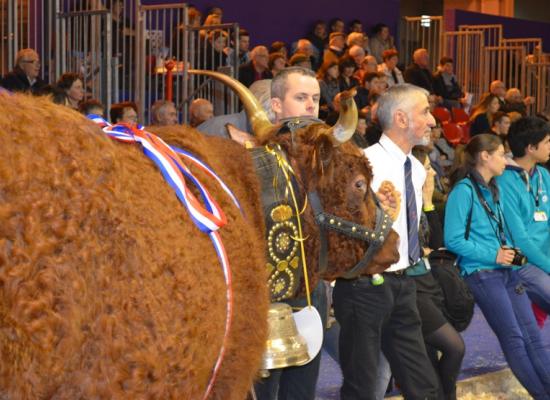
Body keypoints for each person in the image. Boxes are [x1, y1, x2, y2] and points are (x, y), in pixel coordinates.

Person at [334, 83, 440, 399]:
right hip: (363, 288)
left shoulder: (417, 171)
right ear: (401, 118)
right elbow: (340, 232)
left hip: (405, 285)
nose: (433, 121)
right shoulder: (361, 166)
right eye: (425, 111)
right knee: (363, 387)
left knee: (424, 385)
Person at [444, 133, 550, 399]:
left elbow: (505, 231)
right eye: (501, 154)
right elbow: (453, 239)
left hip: (508, 270)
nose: (506, 159)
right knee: (514, 338)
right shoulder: (463, 191)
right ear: (485, 156)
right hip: (482, 273)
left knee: (533, 337)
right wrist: (493, 254)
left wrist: (512, 255)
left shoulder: (493, 189)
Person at [254, 67, 326, 400]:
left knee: (303, 390)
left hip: (312, 291)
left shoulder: (328, 159)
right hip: (268, 291)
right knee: (263, 387)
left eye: (315, 99)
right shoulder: (255, 159)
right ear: (276, 105)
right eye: (301, 98)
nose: (311, 106)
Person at [410, 146, 465, 400]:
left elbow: (438, 244)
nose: (433, 172)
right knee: (454, 347)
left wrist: (429, 202)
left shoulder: (424, 205)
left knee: (433, 355)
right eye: (428, 167)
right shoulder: (404, 204)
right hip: (411, 288)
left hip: (429, 282)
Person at [497, 117, 550, 316]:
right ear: (531, 148)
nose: (549, 146)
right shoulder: (504, 180)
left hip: (544, 256)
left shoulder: (543, 174)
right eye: (547, 142)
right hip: (520, 259)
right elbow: (520, 239)